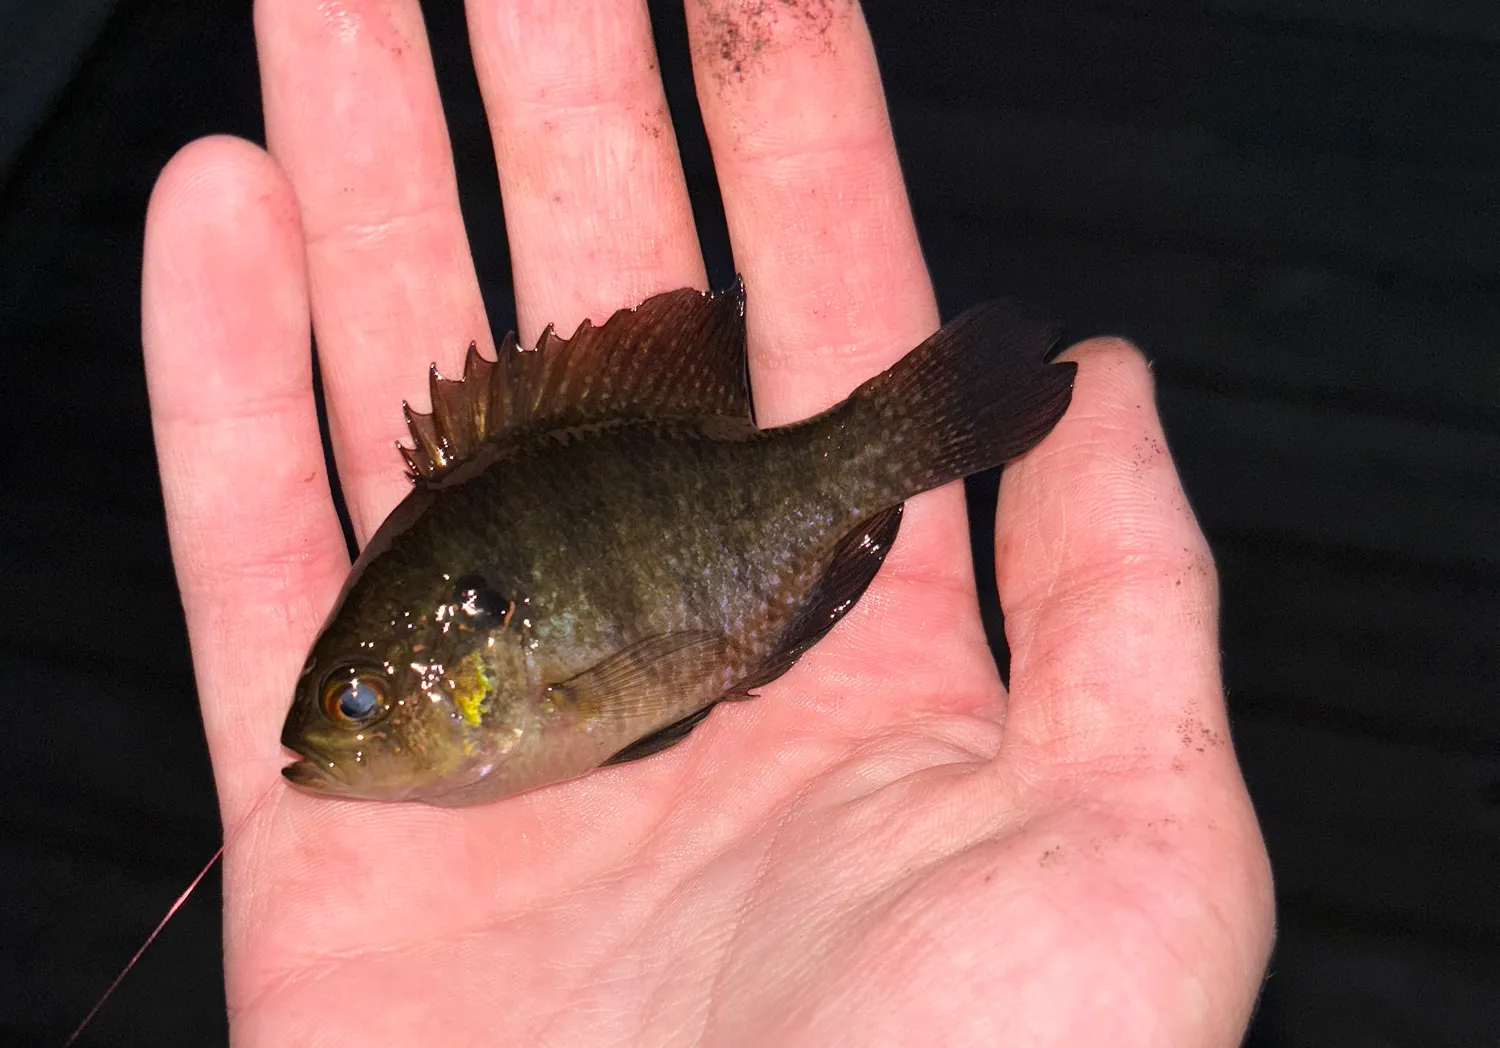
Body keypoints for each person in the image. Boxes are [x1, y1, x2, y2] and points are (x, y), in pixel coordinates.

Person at [139, 1, 1273, 1043]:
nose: (342, 725)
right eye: (354, 697)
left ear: (463, 665)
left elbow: (620, 692)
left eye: (361, 696)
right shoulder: (482, 701)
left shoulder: (509, 696)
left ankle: (907, 429)